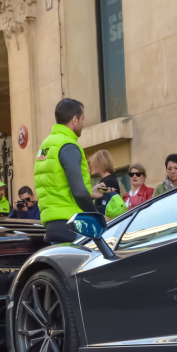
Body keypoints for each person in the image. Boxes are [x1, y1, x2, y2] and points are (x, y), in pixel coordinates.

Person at [35, 98, 101, 244]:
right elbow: (78, 191)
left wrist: (90, 192)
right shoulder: (68, 146)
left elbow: (56, 184)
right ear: (75, 119)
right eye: (83, 119)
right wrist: (96, 216)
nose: (83, 124)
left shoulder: (46, 145)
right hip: (73, 224)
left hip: (52, 225)